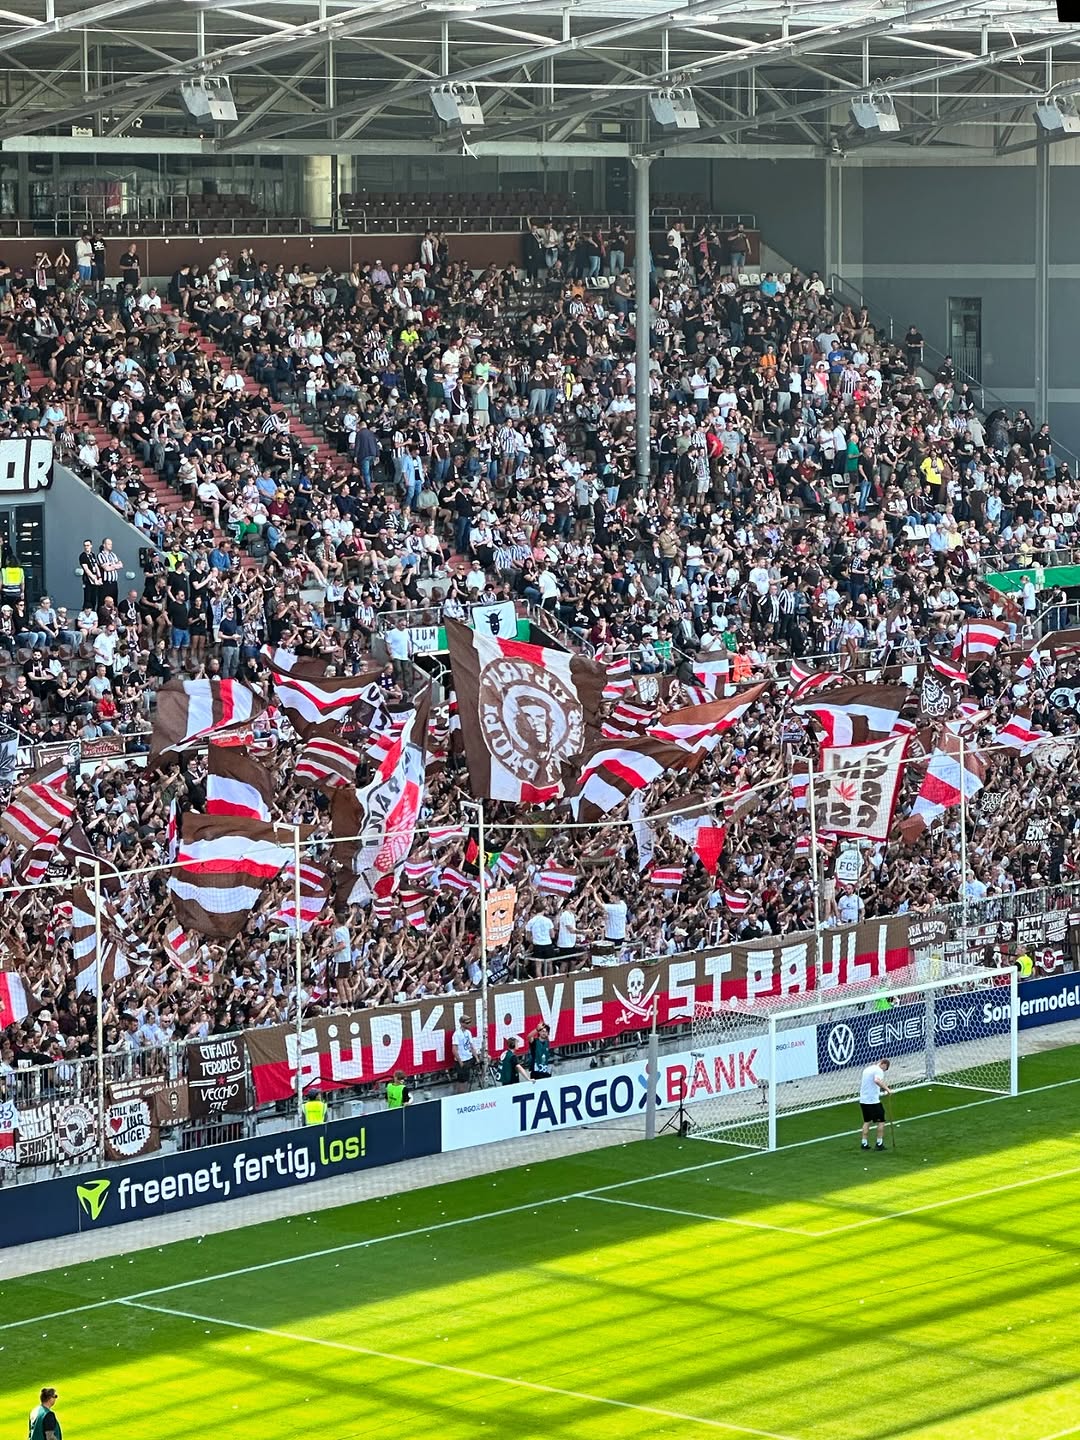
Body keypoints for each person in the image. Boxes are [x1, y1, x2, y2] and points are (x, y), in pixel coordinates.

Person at [859, 1056, 892, 1151]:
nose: (884, 1071)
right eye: (885, 1069)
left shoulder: (867, 1069)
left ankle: (864, 1143)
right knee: (881, 1121)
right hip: (873, 1101)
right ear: (883, 1064)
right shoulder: (878, 1071)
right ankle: (879, 1143)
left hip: (863, 1100)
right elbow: (877, 1080)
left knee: (867, 1121)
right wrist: (887, 1089)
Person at [452, 1016, 477, 1092]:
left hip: (468, 1058)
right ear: (461, 1023)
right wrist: (460, 1062)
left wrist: (477, 1058)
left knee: (466, 1079)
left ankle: (465, 1093)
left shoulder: (468, 1032)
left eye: (469, 1022)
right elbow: (454, 1050)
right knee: (461, 1081)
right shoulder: (457, 1034)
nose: (469, 1024)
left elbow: (471, 1046)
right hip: (462, 1060)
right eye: (467, 1023)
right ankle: (460, 1094)